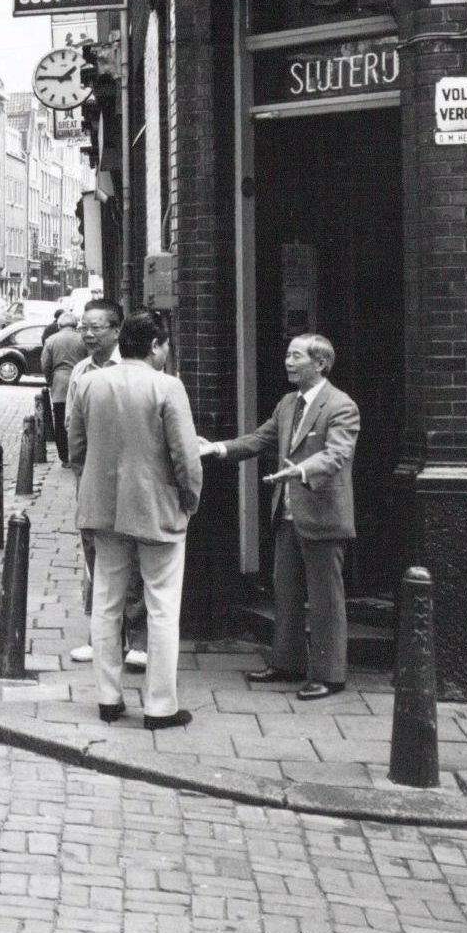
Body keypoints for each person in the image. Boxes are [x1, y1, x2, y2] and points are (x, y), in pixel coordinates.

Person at [203, 334, 361, 699]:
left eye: (296, 356)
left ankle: (329, 674)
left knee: (325, 599)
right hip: (287, 514)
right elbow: (260, 440)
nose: (288, 362)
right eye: (288, 355)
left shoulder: (341, 405)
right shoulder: (288, 403)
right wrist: (217, 448)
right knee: (286, 592)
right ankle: (288, 663)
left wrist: (301, 471)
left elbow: (337, 454)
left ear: (320, 363)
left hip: (322, 513)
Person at [69, 308, 203, 730]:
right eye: (166, 345)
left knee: (106, 601)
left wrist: (92, 486)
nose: (167, 352)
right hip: (155, 508)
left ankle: (108, 698)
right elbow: (186, 457)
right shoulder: (167, 387)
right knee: (162, 606)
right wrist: (190, 500)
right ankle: (160, 706)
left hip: (103, 509)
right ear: (155, 345)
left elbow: (76, 448)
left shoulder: (88, 383)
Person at [62, 298, 143, 673]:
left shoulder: (134, 367)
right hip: (94, 481)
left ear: (116, 330)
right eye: (84, 327)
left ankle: (137, 640)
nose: (88, 334)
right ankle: (103, 639)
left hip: (131, 477)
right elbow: (73, 431)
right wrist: (83, 475)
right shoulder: (80, 372)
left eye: (96, 327)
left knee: (135, 558)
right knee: (96, 557)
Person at [41, 311, 88, 461]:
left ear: (59, 325)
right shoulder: (83, 339)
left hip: (59, 382)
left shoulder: (51, 340)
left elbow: (45, 364)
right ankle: (80, 453)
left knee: (60, 419)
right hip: (80, 380)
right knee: (80, 419)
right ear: (75, 324)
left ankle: (64, 456)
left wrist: (51, 380)